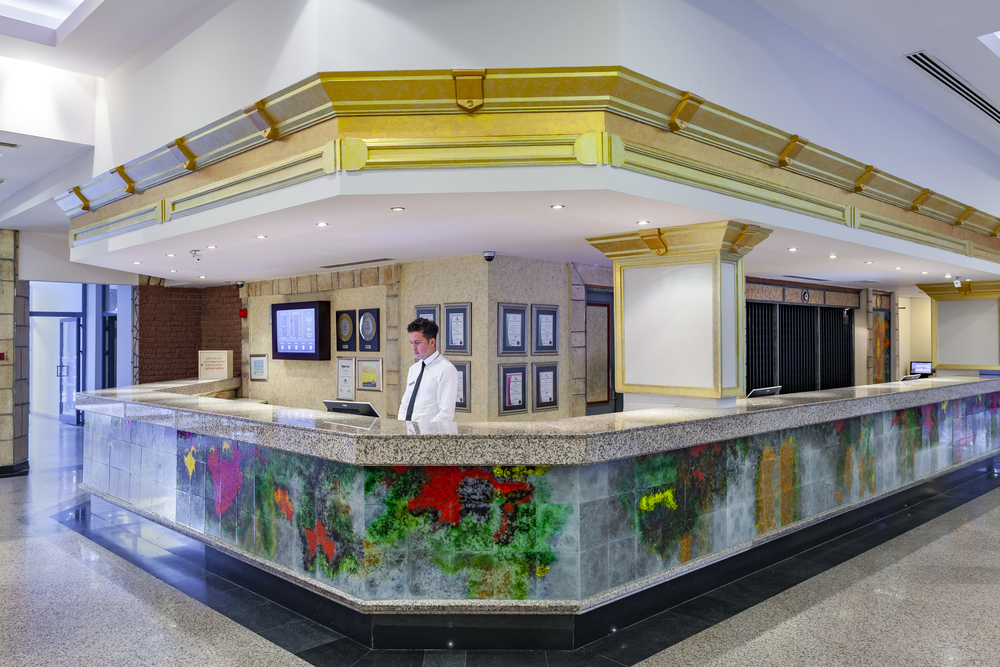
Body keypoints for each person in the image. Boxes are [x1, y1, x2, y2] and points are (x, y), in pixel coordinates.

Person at [398, 318, 458, 422]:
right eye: (411, 343)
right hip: (408, 430)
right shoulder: (414, 368)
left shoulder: (446, 369)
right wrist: (402, 426)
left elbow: (446, 413)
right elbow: (405, 404)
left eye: (417, 343)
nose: (413, 347)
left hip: (430, 431)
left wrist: (426, 431)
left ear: (432, 342)